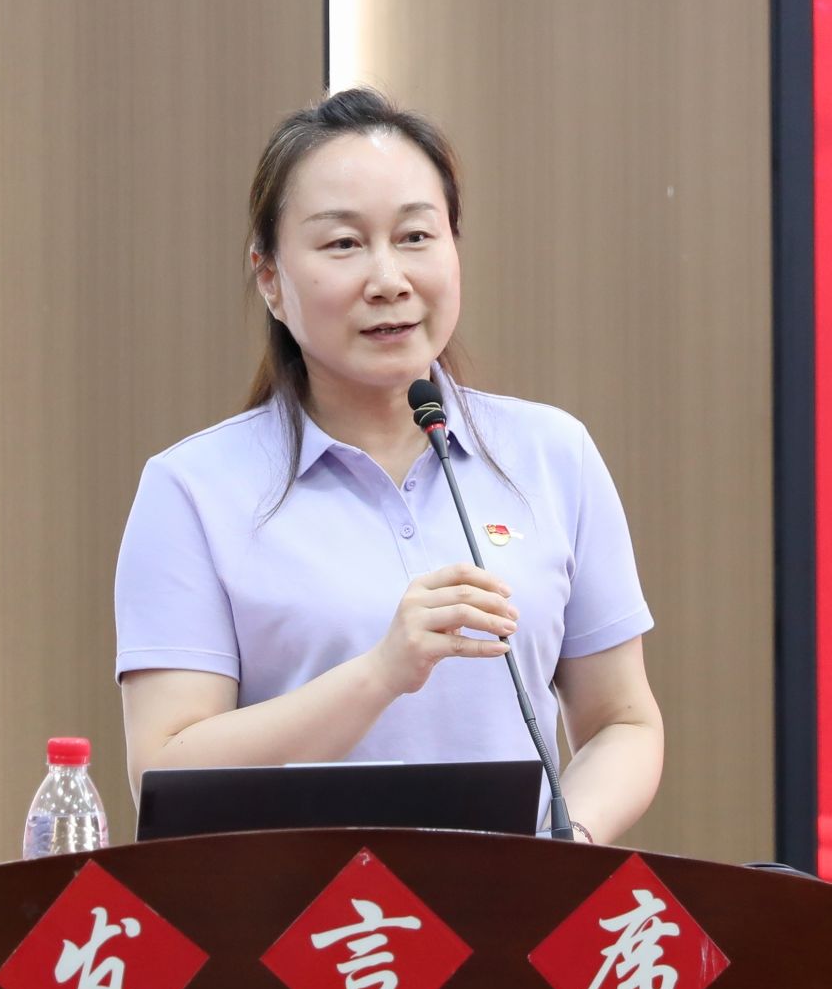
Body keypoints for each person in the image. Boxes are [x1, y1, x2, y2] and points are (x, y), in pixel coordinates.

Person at [115, 89, 662, 844]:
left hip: (510, 906)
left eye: (415, 237)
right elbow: (164, 770)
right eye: (343, 244)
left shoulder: (552, 454)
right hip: (291, 910)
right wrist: (382, 673)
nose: (388, 279)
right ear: (270, 279)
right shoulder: (192, 489)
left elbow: (623, 722)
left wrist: (565, 848)